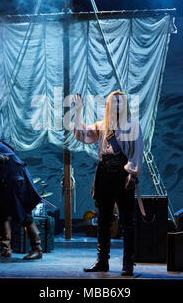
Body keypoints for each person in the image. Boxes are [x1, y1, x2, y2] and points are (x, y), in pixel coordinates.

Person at [72, 91, 143, 276]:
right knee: (103, 220)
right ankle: (102, 261)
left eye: (120, 101)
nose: (117, 104)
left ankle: (128, 264)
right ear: (109, 105)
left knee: (127, 221)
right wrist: (78, 111)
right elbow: (83, 134)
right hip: (104, 173)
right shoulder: (103, 125)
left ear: (125, 105)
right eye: (114, 101)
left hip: (122, 172)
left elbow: (137, 151)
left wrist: (133, 174)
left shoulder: (132, 125)